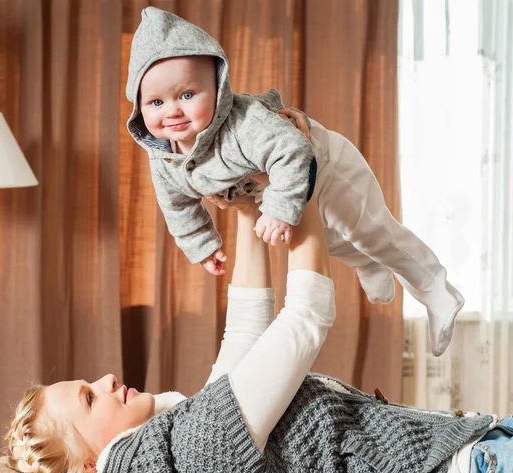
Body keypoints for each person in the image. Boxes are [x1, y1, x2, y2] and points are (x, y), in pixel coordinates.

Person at [6, 109, 502, 473]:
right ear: (92, 465)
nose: (106, 378)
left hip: (472, 457)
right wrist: (297, 183)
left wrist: (245, 206)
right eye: (90, 397)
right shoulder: (200, 450)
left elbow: (245, 331)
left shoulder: (183, 444)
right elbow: (306, 317)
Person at [126, 7, 463, 357]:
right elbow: (177, 204)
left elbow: (293, 150)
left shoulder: (244, 125)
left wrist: (278, 209)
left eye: (187, 95)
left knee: (371, 231)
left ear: (218, 87)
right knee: (332, 240)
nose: (172, 112)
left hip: (328, 164)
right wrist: (202, 245)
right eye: (155, 102)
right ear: (139, 108)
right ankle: (369, 263)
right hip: (283, 187)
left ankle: (436, 289)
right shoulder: (164, 156)